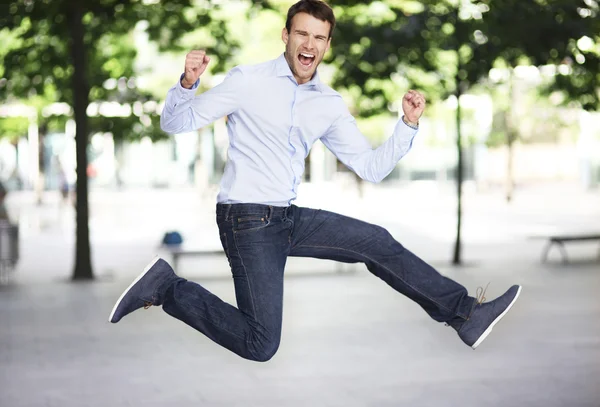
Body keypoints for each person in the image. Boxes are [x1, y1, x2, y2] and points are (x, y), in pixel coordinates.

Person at [108, 0, 521, 361]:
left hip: (288, 219)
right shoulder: (247, 81)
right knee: (260, 343)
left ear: (327, 45)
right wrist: (187, 83)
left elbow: (370, 167)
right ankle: (166, 288)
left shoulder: (327, 103)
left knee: (376, 242)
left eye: (319, 38)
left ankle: (465, 314)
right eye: (302, 34)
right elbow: (175, 121)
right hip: (246, 219)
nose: (309, 45)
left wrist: (406, 126)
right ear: (285, 36)